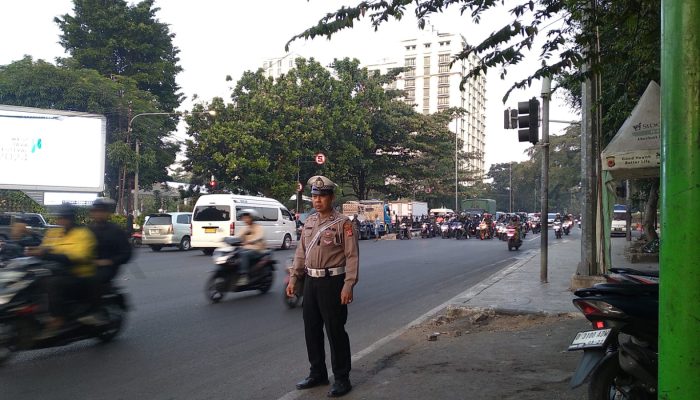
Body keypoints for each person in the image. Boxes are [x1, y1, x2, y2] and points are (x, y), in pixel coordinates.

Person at [286, 175, 359, 398]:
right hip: (311, 281)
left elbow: (352, 256)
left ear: (332, 198)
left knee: (335, 331)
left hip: (332, 282)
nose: (317, 201)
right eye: (315, 197)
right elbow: (301, 253)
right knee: (312, 329)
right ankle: (317, 372)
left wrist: (348, 285)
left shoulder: (343, 223)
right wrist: (294, 278)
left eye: (322, 196)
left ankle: (342, 378)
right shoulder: (309, 222)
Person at [26, 204, 98, 338]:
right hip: (57, 270)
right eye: (59, 218)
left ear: (70, 218)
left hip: (78, 274)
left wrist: (48, 254)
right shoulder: (54, 232)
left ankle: (57, 318)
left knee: (53, 283)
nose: (60, 221)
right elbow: (44, 247)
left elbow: (76, 257)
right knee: (30, 279)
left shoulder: (83, 233)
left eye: (63, 218)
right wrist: (32, 250)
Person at [89, 198, 132, 285]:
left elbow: (126, 253)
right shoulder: (87, 230)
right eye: (96, 211)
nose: (98, 214)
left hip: (107, 268)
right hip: (87, 266)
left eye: (101, 211)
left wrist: (109, 261)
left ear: (107, 213)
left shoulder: (115, 231)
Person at [233, 209, 266, 285]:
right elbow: (238, 236)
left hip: (257, 250)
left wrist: (251, 241)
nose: (245, 219)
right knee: (234, 253)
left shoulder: (258, 227)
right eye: (244, 218)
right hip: (246, 248)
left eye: (247, 217)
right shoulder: (245, 228)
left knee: (244, 254)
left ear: (252, 218)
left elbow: (260, 236)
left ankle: (244, 276)